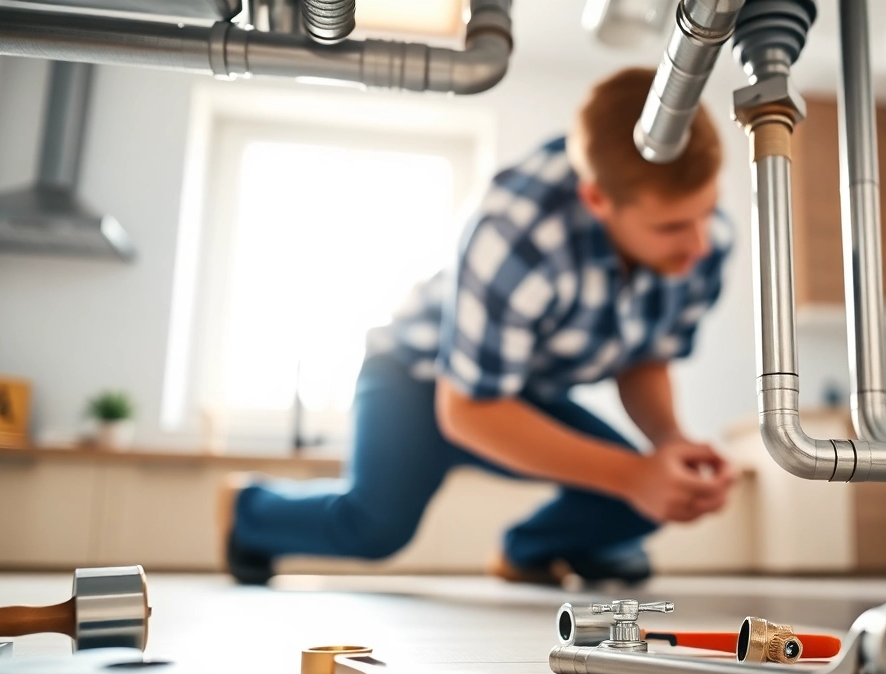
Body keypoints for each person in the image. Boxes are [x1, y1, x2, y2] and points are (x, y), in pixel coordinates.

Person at [220, 67, 737, 586]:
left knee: (645, 497)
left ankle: (527, 552)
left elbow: (645, 356)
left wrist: (669, 443)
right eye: (670, 227)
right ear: (598, 200)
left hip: (521, 390)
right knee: (375, 530)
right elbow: (468, 412)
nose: (697, 244)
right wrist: (633, 474)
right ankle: (249, 509)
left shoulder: (706, 238)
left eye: (705, 212)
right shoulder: (514, 230)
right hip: (416, 376)